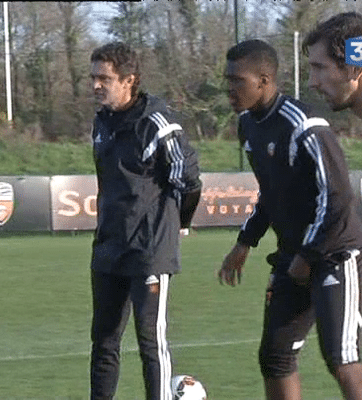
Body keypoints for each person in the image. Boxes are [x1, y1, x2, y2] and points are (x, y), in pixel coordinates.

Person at [219, 39, 362, 400]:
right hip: (293, 256)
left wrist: (309, 255)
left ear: (264, 80)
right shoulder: (248, 126)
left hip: (334, 254)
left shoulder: (306, 125)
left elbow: (337, 197)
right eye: (227, 79)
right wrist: (245, 242)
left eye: (238, 80)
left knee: (342, 359)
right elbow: (271, 191)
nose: (229, 88)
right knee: (275, 356)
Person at [89, 41, 202, 400]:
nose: (95, 85)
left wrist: (179, 223)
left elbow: (190, 179)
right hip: (108, 247)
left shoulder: (158, 123)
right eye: (93, 77)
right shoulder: (101, 122)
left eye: (103, 78)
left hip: (149, 249)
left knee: (151, 342)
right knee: (104, 341)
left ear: (129, 80)